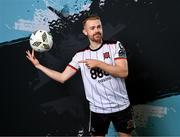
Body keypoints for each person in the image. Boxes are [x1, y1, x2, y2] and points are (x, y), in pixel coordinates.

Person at [26, 14, 135, 137]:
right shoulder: (80, 56)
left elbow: (123, 72)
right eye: (92, 28)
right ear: (85, 32)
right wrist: (38, 66)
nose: (97, 30)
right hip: (98, 110)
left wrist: (98, 64)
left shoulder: (115, 46)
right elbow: (62, 77)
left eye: (99, 27)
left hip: (121, 106)